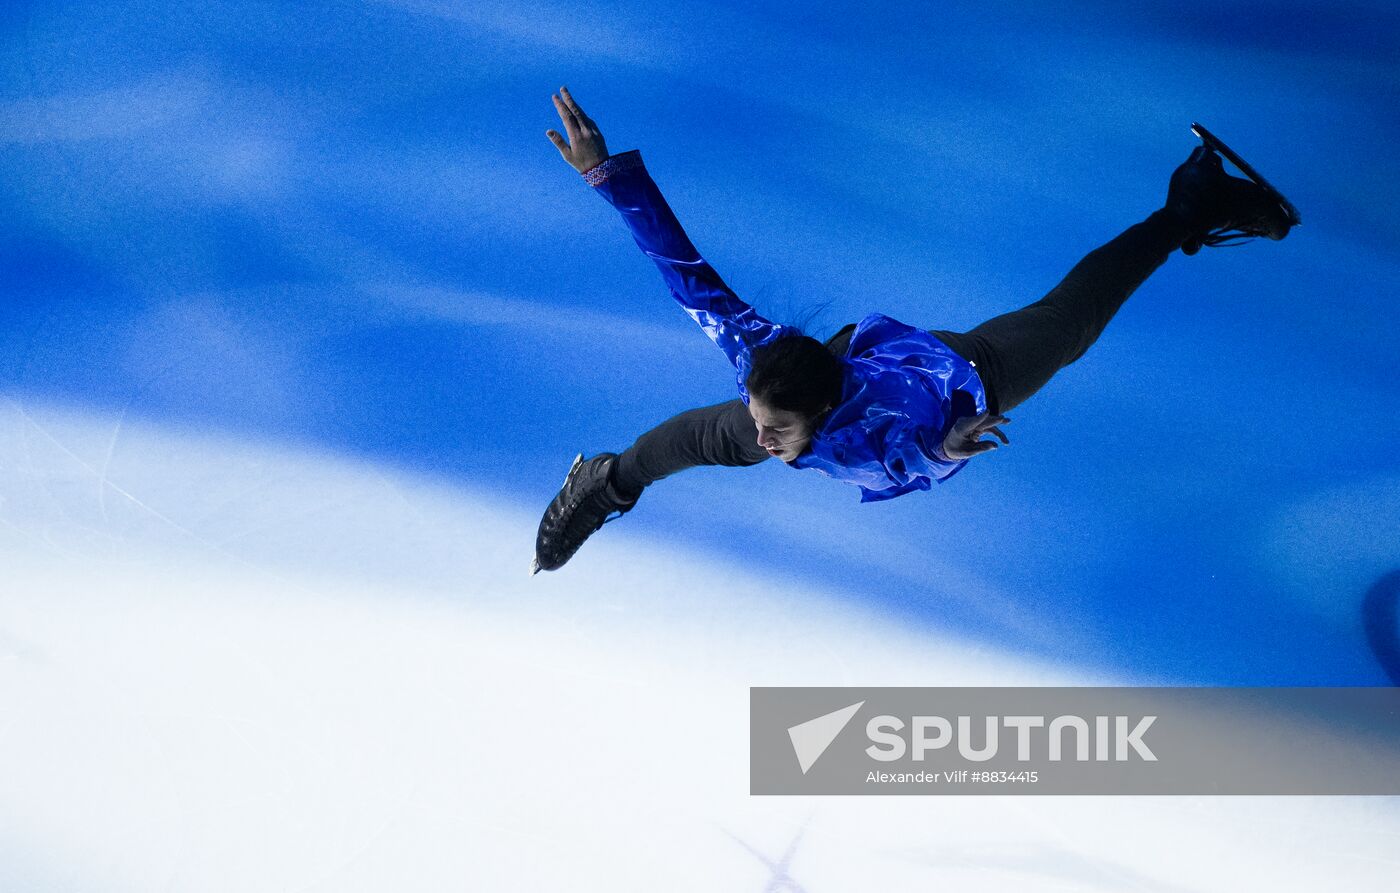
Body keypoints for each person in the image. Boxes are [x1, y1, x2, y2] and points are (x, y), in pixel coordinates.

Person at [532, 87, 1295, 574]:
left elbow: (908, 457)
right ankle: (604, 483)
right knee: (701, 439)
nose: (764, 440)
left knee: (1070, 323)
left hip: (957, 377)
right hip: (839, 372)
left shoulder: (891, 424)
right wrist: (607, 176)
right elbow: (682, 268)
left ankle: (1190, 207)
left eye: (776, 430)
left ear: (825, 417)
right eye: (764, 422)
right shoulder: (767, 372)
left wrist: (945, 444)